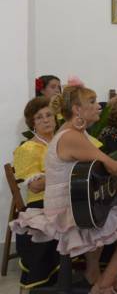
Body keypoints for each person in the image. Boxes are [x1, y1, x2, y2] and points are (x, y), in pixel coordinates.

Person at [11, 83, 117, 294]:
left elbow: (99, 168)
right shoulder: (71, 136)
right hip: (67, 213)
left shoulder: (75, 132)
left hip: (79, 205)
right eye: (92, 102)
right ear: (77, 109)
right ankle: (103, 285)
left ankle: (98, 277)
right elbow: (111, 165)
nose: (99, 107)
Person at [13, 97, 59, 289]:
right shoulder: (28, 148)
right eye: (39, 118)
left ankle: (94, 277)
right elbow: (35, 186)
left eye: (49, 115)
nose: (46, 120)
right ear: (33, 123)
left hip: (65, 201)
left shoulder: (62, 142)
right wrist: (64, 169)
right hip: (41, 204)